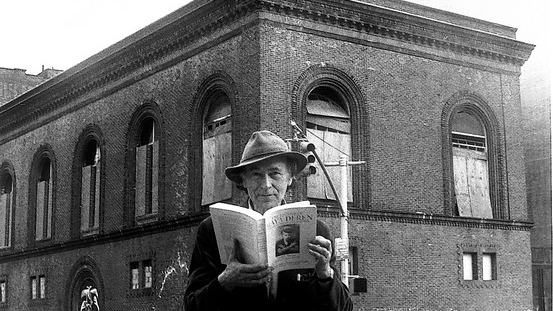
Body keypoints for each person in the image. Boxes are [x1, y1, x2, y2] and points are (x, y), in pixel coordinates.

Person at [184, 130, 353, 311]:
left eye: (275, 173)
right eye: (256, 174)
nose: (266, 184)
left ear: (289, 178)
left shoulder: (315, 230)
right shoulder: (213, 229)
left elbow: (344, 308)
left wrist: (325, 274)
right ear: (243, 181)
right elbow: (192, 305)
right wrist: (224, 282)